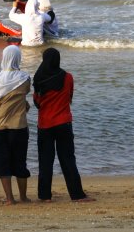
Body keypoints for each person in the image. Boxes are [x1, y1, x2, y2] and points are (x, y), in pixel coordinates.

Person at [33, 48, 92, 202]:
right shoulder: (68, 77)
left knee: (45, 161)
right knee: (68, 160)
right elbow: (69, 97)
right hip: (63, 123)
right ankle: (77, 195)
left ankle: (44, 196)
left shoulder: (39, 78)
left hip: (45, 124)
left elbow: (37, 103)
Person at [0, 46, 32, 205]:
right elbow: (23, 95)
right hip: (19, 127)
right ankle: (23, 197)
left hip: (0, 126)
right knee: (20, 161)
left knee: (2, 162)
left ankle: (9, 198)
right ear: (18, 58)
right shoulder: (25, 78)